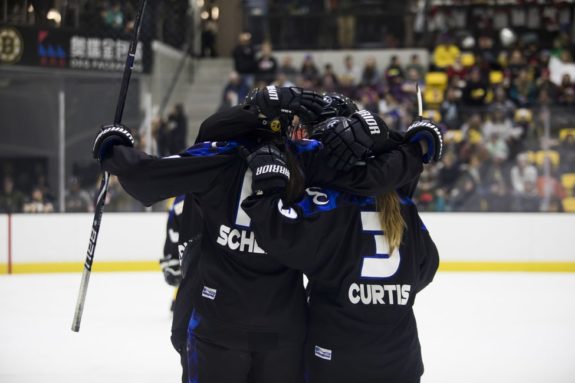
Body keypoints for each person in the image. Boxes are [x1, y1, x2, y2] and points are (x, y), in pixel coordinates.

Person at [91, 87, 431, 383]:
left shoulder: (218, 156)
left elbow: (146, 174)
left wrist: (113, 147)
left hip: (218, 322)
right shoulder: (309, 161)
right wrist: (410, 143)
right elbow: (376, 173)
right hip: (286, 330)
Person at [240, 118, 442, 383]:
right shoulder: (404, 206)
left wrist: (268, 189)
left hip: (336, 355)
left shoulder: (326, 205)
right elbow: (427, 267)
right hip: (400, 357)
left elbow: (280, 237)